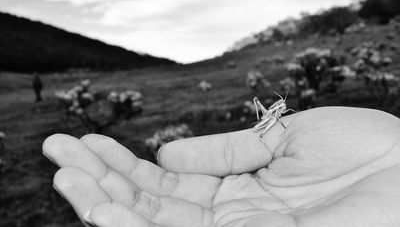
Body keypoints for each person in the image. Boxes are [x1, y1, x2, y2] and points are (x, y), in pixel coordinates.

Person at [42, 107, 400, 227]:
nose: (281, 108)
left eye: (281, 107)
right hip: (266, 125)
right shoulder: (273, 113)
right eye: (280, 107)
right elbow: (274, 118)